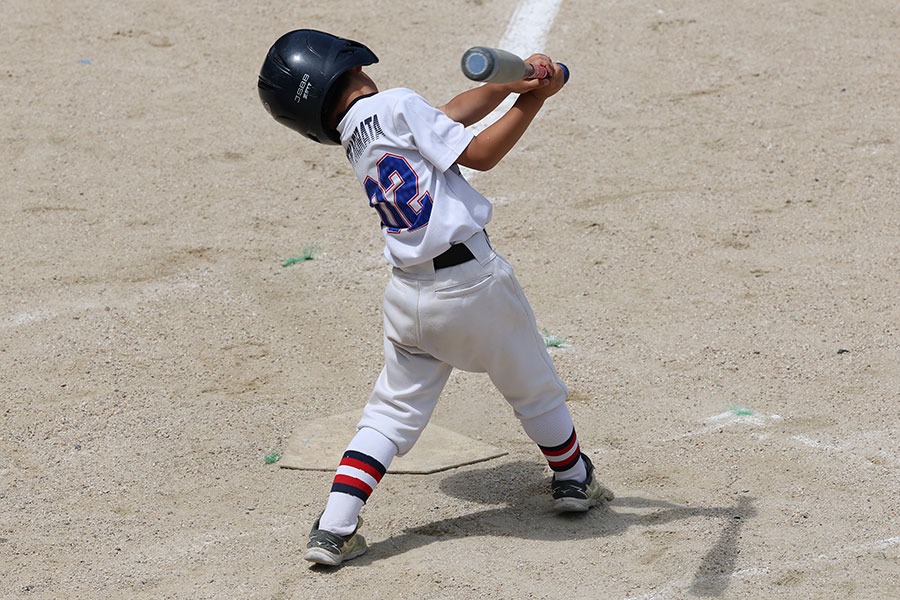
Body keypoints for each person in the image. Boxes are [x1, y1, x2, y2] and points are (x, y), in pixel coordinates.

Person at [257, 29, 613, 567]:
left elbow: (449, 112)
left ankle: (334, 526)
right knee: (532, 384)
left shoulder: (357, 135)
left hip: (409, 299)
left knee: (389, 414)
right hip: (474, 287)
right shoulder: (395, 103)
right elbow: (481, 153)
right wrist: (532, 98)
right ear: (346, 67)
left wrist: (510, 81)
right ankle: (571, 477)